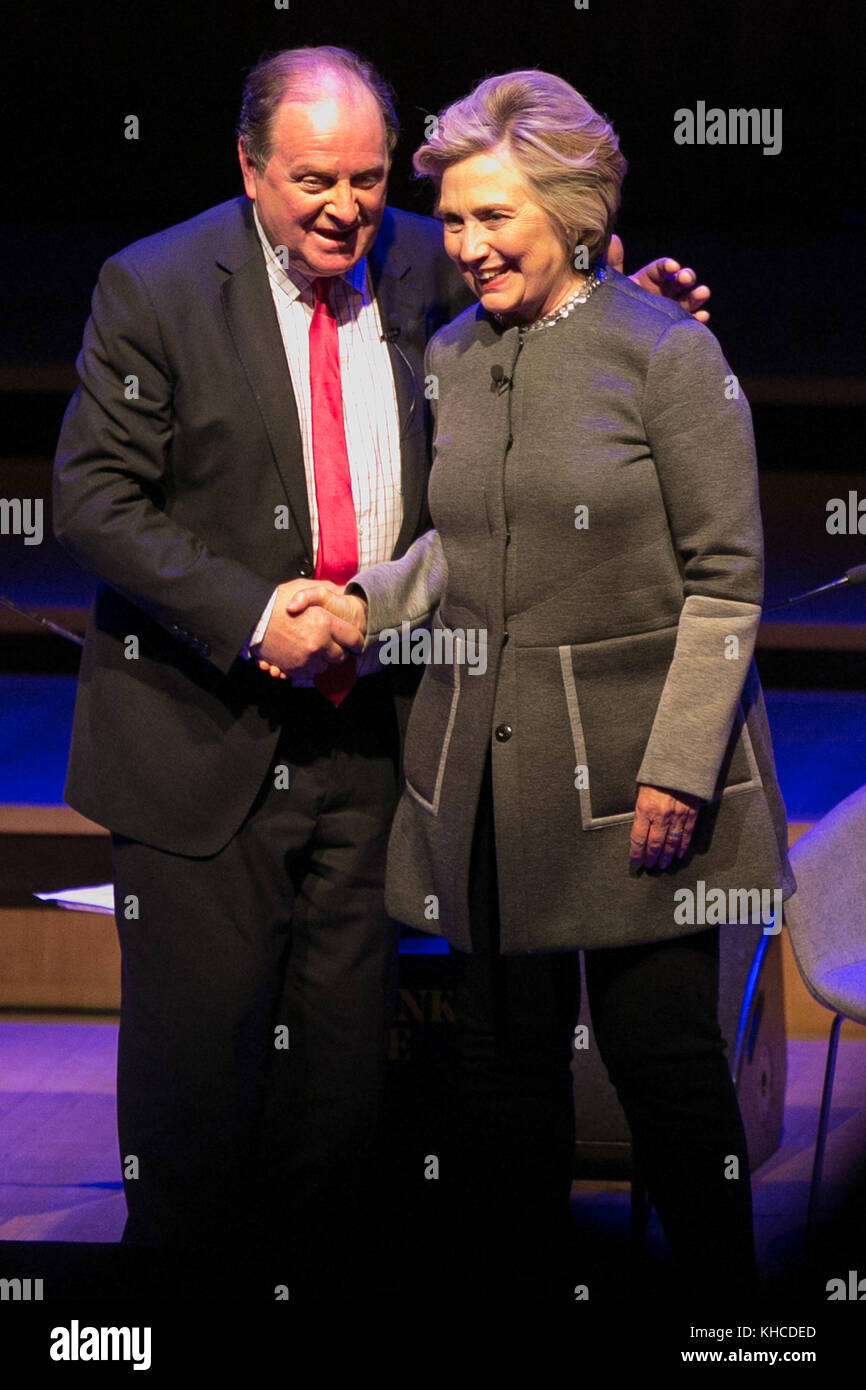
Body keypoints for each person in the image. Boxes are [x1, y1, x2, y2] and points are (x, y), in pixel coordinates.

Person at [52, 44, 715, 1288]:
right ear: (248, 168)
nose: (344, 208)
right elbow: (88, 497)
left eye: (364, 178)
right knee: (196, 1105)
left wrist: (640, 316)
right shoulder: (151, 287)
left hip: (380, 741)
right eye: (311, 180)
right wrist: (256, 614)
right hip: (200, 744)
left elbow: (560, 323)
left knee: (339, 1105)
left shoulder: (426, 256)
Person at [282, 69, 795, 1306]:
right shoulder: (456, 356)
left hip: (640, 781)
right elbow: (458, 545)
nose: (464, 247)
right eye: (452, 220)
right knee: (503, 1075)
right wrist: (363, 606)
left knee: (663, 1067)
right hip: (489, 785)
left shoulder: (665, 355)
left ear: (570, 213)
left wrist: (675, 765)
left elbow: (726, 583)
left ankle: (736, 1323)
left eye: (493, 218)